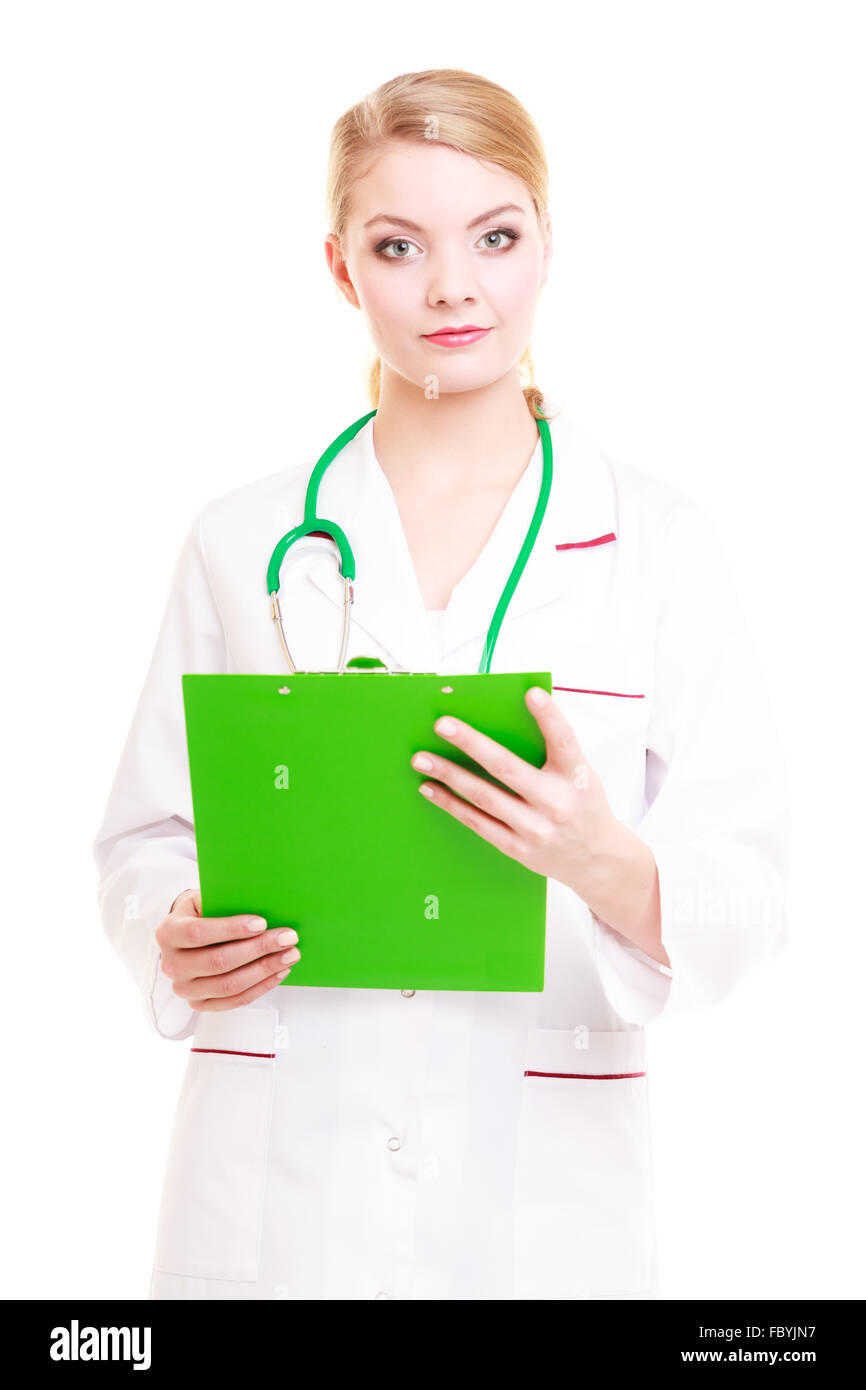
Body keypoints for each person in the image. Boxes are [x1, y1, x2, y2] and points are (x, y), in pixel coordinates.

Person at [91, 67, 789, 1301]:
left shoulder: (656, 543)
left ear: (544, 248)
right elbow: (146, 836)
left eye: (494, 236)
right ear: (340, 267)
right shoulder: (241, 540)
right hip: (270, 1196)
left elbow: (750, 886)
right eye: (398, 244)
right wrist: (173, 934)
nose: (452, 286)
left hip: (542, 1209)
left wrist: (603, 863)